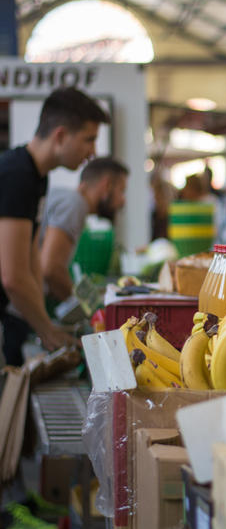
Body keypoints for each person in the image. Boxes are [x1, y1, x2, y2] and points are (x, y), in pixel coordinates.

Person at [0, 87, 109, 366]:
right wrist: (46, 331)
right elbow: (13, 276)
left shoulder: (37, 177)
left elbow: (33, 258)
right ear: (60, 136)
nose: (93, 152)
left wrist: (44, 323)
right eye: (89, 140)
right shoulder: (16, 174)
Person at [40, 157, 128, 303]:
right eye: (122, 191)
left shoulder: (69, 201)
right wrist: (87, 307)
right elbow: (51, 269)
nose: (123, 200)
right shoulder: (74, 204)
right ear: (106, 186)